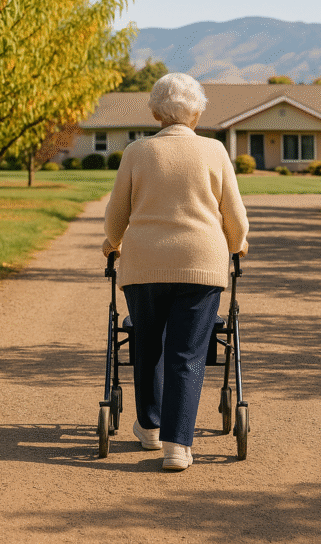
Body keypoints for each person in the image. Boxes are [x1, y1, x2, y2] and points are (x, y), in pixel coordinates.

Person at [103, 72, 249, 471]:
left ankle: (149, 427)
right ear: (197, 112)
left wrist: (112, 242)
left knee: (146, 344)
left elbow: (117, 213)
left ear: (155, 111)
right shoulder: (215, 151)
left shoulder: (136, 152)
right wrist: (237, 244)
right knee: (187, 354)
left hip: (144, 263)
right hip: (201, 264)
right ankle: (177, 447)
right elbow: (234, 216)